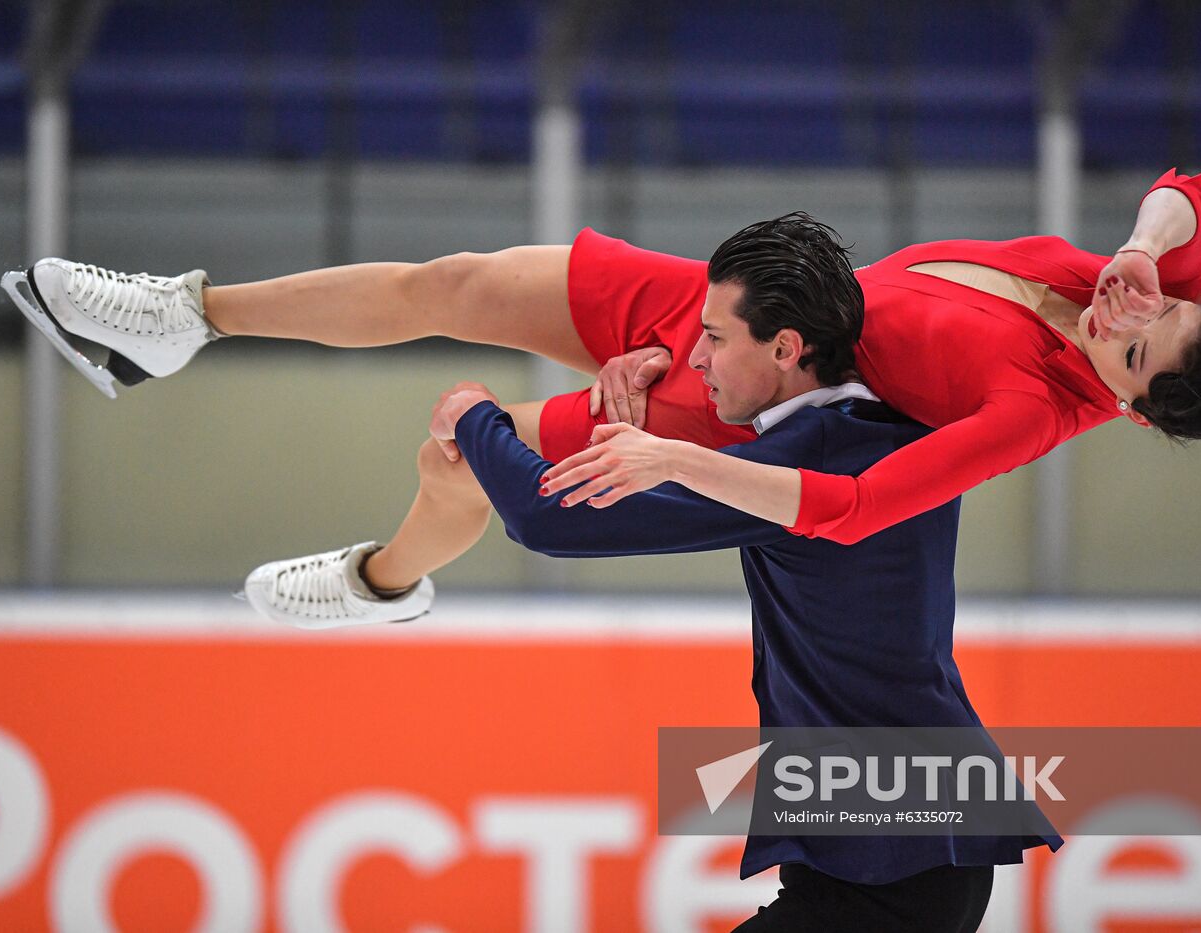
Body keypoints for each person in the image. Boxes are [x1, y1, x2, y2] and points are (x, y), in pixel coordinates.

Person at [7, 170, 1201, 624]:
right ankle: (174, 320)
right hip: (746, 301)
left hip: (751, 385)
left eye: (1138, 352)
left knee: (463, 452)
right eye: (1159, 310)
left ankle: (379, 585)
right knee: (456, 278)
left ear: (1136, 411)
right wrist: (1151, 248)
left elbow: (852, 504)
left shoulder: (1028, 415)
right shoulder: (1150, 287)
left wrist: (683, 447)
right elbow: (1183, 186)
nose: (1130, 318)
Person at [422, 214, 1060, 931]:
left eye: (715, 339)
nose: (695, 357)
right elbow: (734, 431)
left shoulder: (802, 467)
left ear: (788, 347)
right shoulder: (879, 428)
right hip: (896, 850)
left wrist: (477, 416)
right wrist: (645, 370)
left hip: (893, 867)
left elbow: (555, 518)